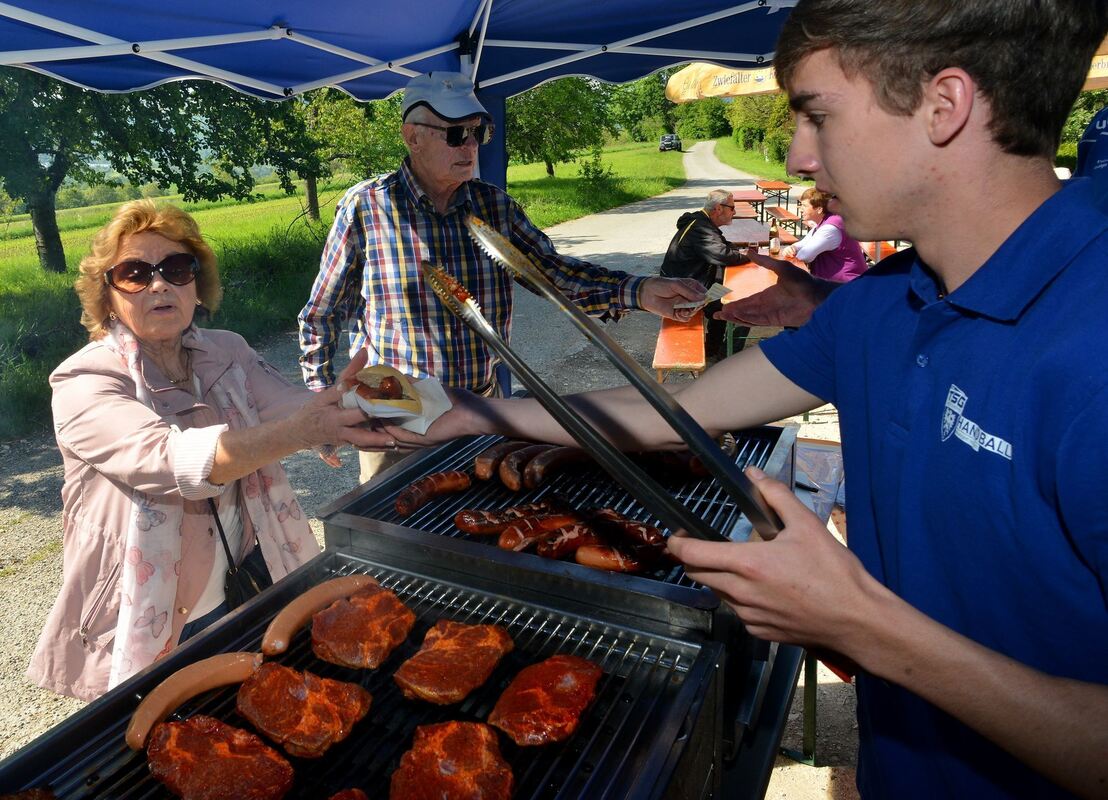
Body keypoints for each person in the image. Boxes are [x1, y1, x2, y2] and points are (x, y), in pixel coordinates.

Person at [373, 1, 1108, 797]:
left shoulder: (1091, 344)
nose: (796, 156)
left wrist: (864, 624)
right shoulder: (878, 305)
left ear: (945, 104)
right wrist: (478, 413)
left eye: (816, 116)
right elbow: (670, 412)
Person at [28, 201, 375, 702]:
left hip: (244, 581)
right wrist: (301, 431)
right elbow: (168, 458)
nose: (159, 284)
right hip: (152, 610)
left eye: (176, 268)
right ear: (106, 296)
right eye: (134, 273)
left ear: (196, 283)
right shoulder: (84, 380)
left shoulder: (226, 350)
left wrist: (343, 405)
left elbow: (290, 407)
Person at [298, 70, 704, 483]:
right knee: (397, 530)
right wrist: (321, 404)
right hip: (398, 417)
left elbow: (553, 273)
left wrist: (640, 291)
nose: (471, 145)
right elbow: (322, 314)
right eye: (456, 134)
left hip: (481, 407)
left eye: (478, 132)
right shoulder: (366, 207)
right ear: (412, 137)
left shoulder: (494, 206)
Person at [659, 189, 751, 360]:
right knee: (740, 306)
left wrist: (739, 252)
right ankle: (725, 356)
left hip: (686, 283)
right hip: (681, 292)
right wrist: (750, 256)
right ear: (718, 208)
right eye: (732, 208)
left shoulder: (701, 222)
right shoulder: (701, 228)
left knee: (726, 294)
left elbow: (723, 245)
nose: (734, 212)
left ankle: (713, 348)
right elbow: (722, 254)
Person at [776, 187, 866, 281]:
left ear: (819, 209)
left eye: (805, 206)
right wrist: (792, 248)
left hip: (847, 286)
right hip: (836, 284)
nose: (800, 209)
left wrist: (793, 252)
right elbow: (804, 243)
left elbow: (805, 255)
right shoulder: (826, 221)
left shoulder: (830, 229)